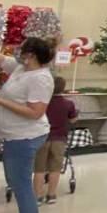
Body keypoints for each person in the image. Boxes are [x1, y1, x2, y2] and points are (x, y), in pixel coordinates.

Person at [0, 37, 54, 213]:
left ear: (31, 55)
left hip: (25, 136)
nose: (18, 52)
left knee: (20, 184)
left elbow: (35, 112)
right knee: (17, 181)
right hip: (15, 135)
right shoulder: (21, 69)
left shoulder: (40, 79)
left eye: (23, 50)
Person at [33, 76, 77, 205]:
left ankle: (37, 197)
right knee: (55, 168)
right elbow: (73, 119)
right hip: (60, 139)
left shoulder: (41, 104)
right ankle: (51, 195)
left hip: (42, 137)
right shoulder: (68, 104)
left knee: (39, 169)